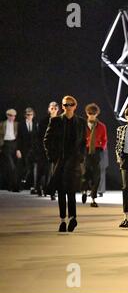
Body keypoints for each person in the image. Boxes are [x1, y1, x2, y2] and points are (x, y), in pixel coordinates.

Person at [44, 96, 87, 232]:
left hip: (74, 161)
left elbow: (83, 142)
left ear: (75, 106)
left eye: (71, 104)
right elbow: (47, 139)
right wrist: (52, 157)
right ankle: (63, 220)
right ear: (62, 106)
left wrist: (81, 157)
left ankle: (73, 218)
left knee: (71, 191)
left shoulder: (81, 122)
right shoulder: (55, 121)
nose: (68, 107)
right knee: (61, 191)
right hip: (60, 161)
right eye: (66, 104)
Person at [81, 103, 107, 207]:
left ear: (97, 114)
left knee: (97, 175)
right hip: (85, 151)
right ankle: (84, 190)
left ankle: (93, 197)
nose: (91, 115)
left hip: (96, 151)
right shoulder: (82, 125)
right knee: (85, 172)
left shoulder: (101, 126)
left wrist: (101, 148)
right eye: (89, 113)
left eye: (94, 113)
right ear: (87, 113)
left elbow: (104, 139)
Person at [36, 102, 59, 198]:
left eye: (55, 108)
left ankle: (49, 190)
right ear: (49, 109)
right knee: (42, 169)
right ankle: (38, 187)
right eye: (51, 108)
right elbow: (39, 136)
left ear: (57, 109)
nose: (53, 110)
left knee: (51, 170)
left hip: (55, 149)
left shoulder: (60, 120)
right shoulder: (43, 121)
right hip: (44, 148)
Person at [0, 109, 22, 192]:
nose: (13, 117)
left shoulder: (17, 124)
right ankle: (15, 187)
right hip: (6, 145)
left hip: (14, 145)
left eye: (14, 116)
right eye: (11, 115)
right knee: (11, 166)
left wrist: (18, 149)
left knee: (14, 167)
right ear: (7, 115)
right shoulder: (2, 124)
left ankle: (11, 186)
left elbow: (19, 137)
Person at [18, 107, 39, 193]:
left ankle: (32, 185)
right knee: (25, 167)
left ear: (33, 115)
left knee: (33, 167)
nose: (29, 116)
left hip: (33, 149)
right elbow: (19, 137)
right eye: (27, 114)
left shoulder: (35, 124)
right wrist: (18, 149)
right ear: (25, 115)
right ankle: (22, 183)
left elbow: (37, 137)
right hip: (24, 149)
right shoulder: (21, 124)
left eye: (31, 114)